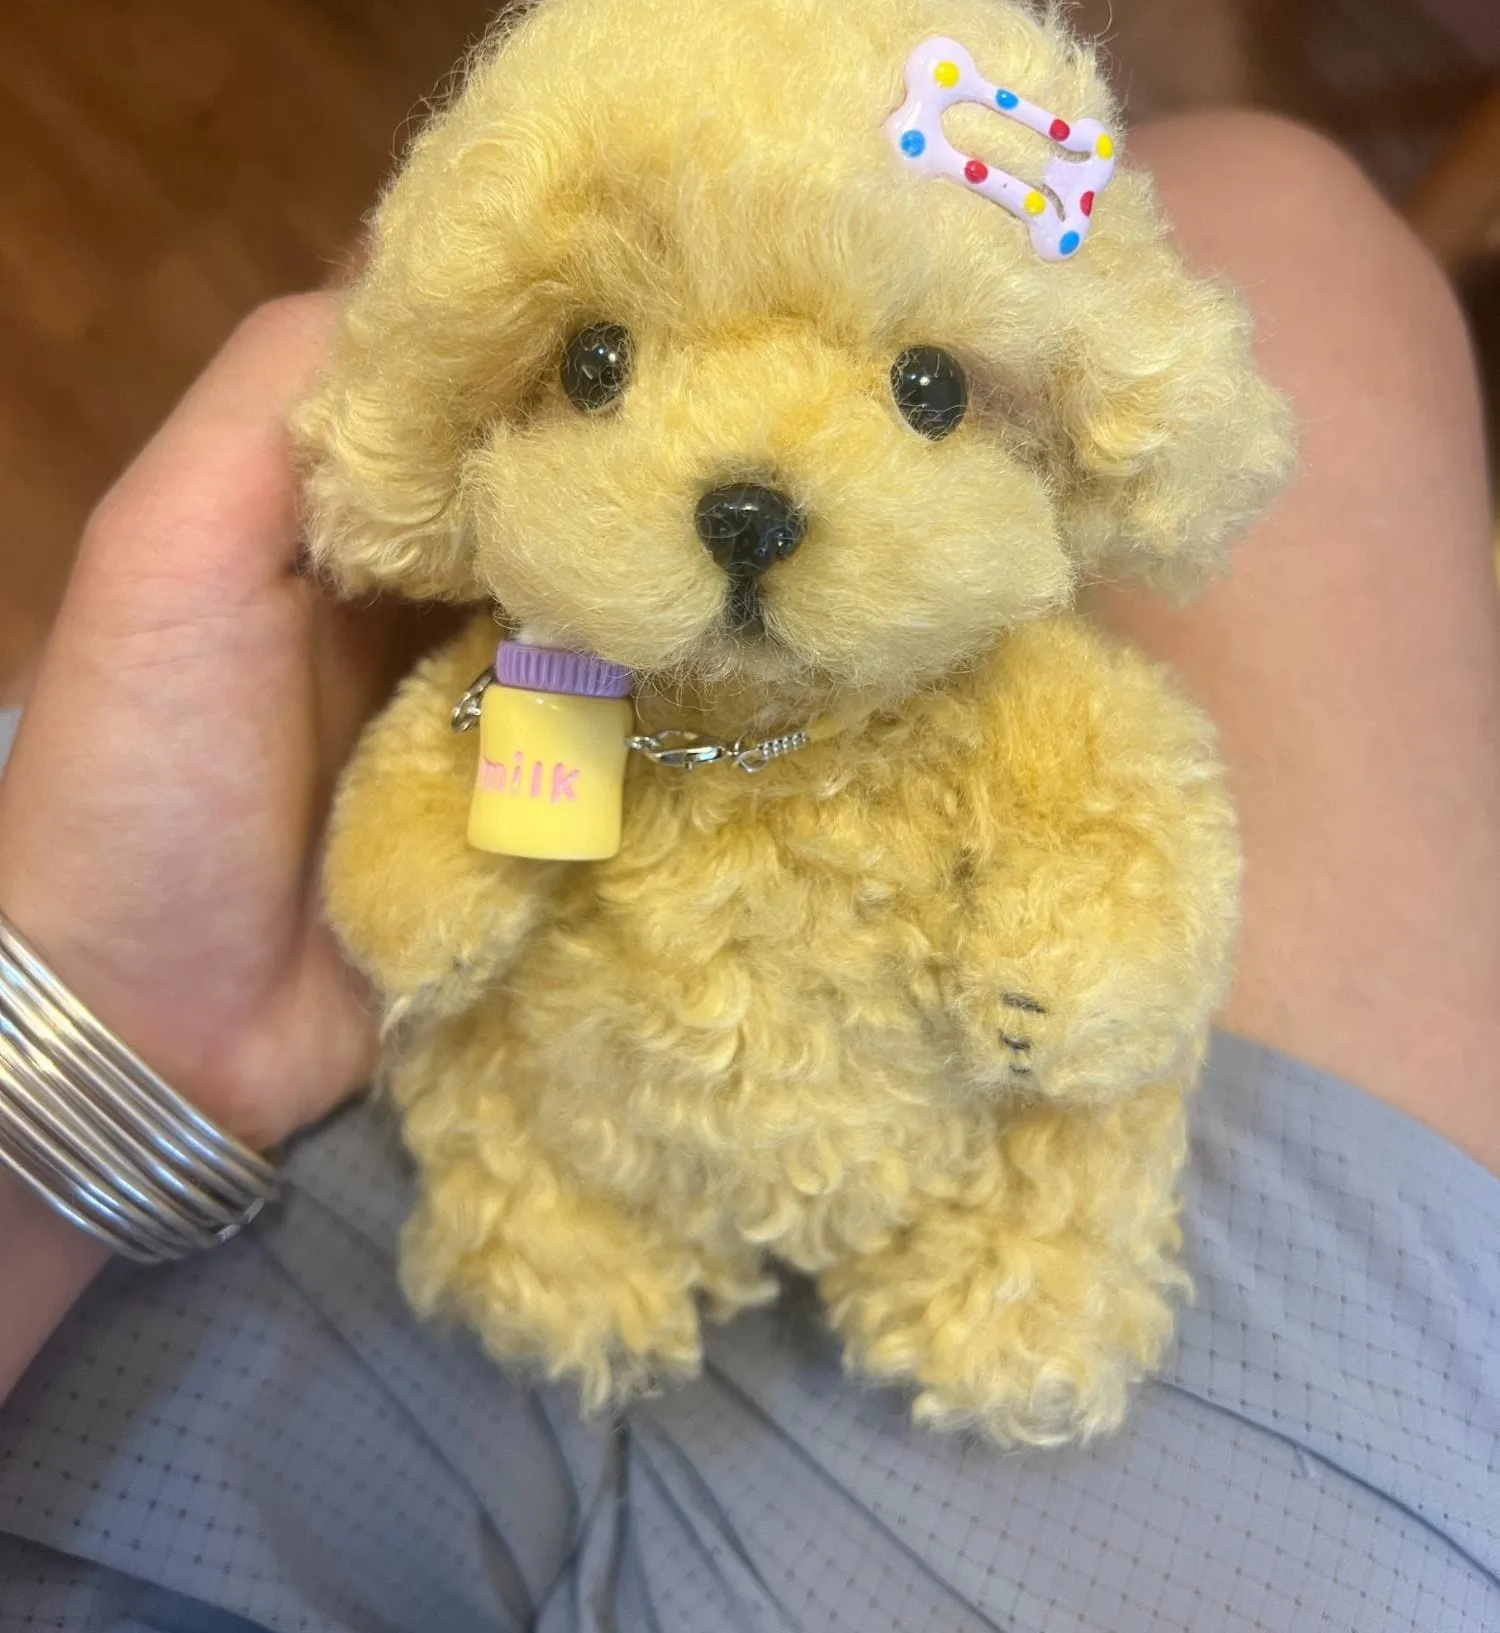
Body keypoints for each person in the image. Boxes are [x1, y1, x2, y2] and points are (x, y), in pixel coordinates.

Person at [0, 110, 1496, 1632]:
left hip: (174, 1255)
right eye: (603, 367)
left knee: (1071, 1135)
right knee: (1274, 198)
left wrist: (117, 1007)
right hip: (409, 1244)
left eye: (921, 390)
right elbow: (455, 834)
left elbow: (1118, 847)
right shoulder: (554, 674)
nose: (749, 496)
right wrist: (402, 889)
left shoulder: (999, 700)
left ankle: (983, 1268)